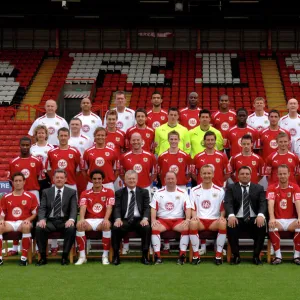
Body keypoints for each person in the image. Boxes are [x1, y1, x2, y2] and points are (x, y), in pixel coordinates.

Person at [224, 166, 267, 265]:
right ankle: (236, 256)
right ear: (238, 176)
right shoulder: (231, 187)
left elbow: (262, 203)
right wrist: (231, 215)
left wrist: (260, 215)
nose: (245, 176)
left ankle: (256, 257)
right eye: (242, 174)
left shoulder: (258, 188)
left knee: (262, 225)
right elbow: (228, 203)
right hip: (237, 218)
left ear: (251, 176)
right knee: (231, 225)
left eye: (247, 174)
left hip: (253, 218)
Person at [35, 169, 77, 266]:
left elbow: (74, 208)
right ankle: (43, 257)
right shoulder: (46, 192)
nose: (59, 179)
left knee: (71, 228)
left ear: (65, 179)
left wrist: (71, 220)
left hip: (64, 221)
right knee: (39, 228)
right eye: (57, 177)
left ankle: (64, 257)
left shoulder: (71, 192)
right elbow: (42, 208)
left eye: (61, 178)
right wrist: (41, 219)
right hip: (50, 221)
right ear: (53, 179)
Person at [150, 171, 192, 265]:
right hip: (163, 220)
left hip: (178, 220)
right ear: (164, 180)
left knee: (186, 227)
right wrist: (153, 220)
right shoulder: (158, 192)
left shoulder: (183, 192)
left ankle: (182, 255)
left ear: (176, 180)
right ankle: (157, 256)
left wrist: (187, 219)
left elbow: (188, 207)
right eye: (168, 179)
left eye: (172, 178)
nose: (170, 181)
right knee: (155, 227)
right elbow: (153, 207)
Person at [75, 169, 115, 265]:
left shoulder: (109, 192)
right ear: (91, 180)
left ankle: (104, 256)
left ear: (103, 180)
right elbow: (83, 207)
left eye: (99, 179)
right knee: (79, 225)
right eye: (94, 179)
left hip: (102, 219)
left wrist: (106, 219)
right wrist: (81, 219)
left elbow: (109, 207)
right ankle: (82, 257)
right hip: (89, 220)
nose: (97, 181)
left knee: (106, 225)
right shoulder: (85, 193)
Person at [189, 165, 227, 265]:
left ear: (213, 174)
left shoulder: (220, 190)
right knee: (192, 223)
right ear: (200, 175)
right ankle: (196, 256)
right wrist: (194, 216)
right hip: (200, 221)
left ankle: (218, 256)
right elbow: (192, 207)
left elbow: (222, 208)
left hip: (213, 221)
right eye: (204, 173)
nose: (206, 175)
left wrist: (222, 217)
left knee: (223, 223)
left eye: (209, 173)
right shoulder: (194, 190)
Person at [111, 170, 151, 265]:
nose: (131, 180)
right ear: (125, 180)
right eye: (129, 179)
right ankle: (116, 255)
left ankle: (144, 256)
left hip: (139, 220)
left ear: (137, 180)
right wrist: (117, 219)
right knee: (115, 227)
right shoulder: (119, 193)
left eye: (133, 179)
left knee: (146, 227)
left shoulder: (144, 192)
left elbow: (147, 208)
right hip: (124, 220)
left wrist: (145, 218)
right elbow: (116, 207)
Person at [0, 172, 38, 266]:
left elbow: (34, 213)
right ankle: (0, 258)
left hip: (23, 222)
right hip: (10, 223)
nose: (18, 183)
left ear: (24, 182)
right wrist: (1, 220)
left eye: (20, 180)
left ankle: (24, 258)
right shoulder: (6, 197)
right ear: (12, 182)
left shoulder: (31, 196)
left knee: (26, 226)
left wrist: (28, 219)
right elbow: (2, 213)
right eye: (16, 181)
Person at [267, 164, 300, 265]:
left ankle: (297, 256)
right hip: (278, 220)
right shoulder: (272, 187)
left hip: (292, 220)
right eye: (280, 174)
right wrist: (272, 218)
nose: (282, 176)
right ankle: (278, 256)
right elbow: (270, 203)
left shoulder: (295, 187)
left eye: (284, 174)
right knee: (271, 225)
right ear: (277, 175)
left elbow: (298, 202)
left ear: (289, 174)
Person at [9, 137, 43, 204]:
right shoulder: (13, 162)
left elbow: (41, 179)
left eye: (27, 145)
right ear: (20, 145)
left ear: (30, 146)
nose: (25, 147)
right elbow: (11, 180)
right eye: (23, 145)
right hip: (18, 192)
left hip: (33, 191)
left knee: (35, 213)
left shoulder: (37, 161)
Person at [83, 127, 119, 191]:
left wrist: (111, 181)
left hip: (108, 184)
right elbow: (84, 170)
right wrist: (90, 180)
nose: (100, 137)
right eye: (98, 135)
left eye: (102, 135)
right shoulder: (88, 152)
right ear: (94, 136)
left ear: (106, 136)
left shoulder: (112, 151)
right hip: (92, 183)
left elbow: (116, 170)